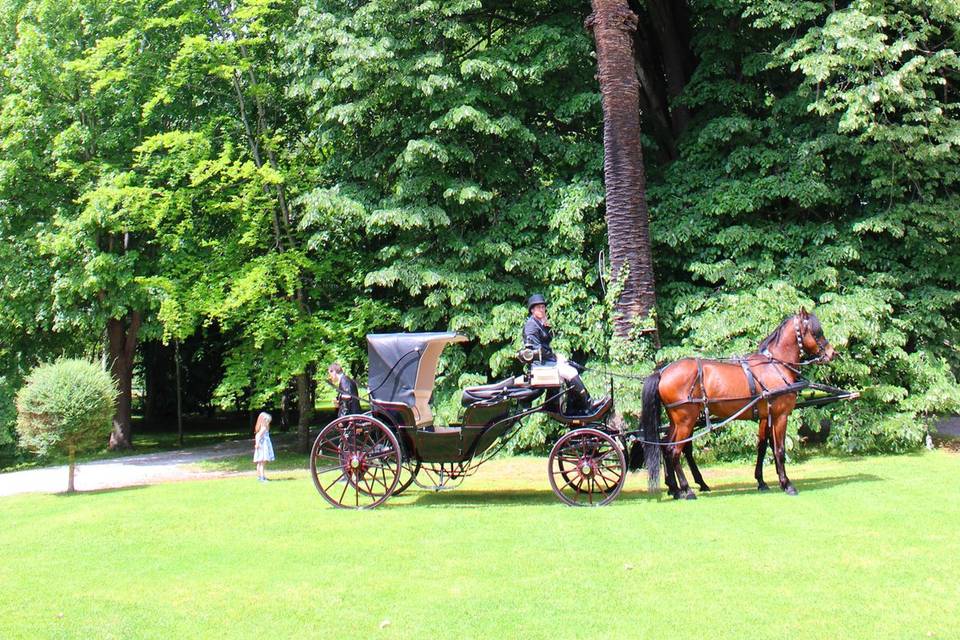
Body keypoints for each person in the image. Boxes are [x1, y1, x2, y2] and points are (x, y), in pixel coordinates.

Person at [522, 293, 603, 415]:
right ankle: (588, 403)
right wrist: (556, 358)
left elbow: (544, 347)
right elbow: (537, 350)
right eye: (539, 307)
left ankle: (574, 407)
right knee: (571, 372)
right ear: (532, 310)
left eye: (543, 307)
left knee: (572, 369)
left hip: (546, 362)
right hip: (540, 365)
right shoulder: (531, 326)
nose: (542, 310)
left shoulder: (538, 323)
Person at [253, 412, 275, 482]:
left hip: (261, 446)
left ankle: (260, 477)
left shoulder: (262, 428)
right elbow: (258, 436)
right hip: (263, 447)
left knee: (260, 463)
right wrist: (257, 443)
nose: (268, 422)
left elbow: (257, 435)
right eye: (267, 421)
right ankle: (262, 478)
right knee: (262, 463)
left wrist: (257, 443)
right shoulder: (264, 428)